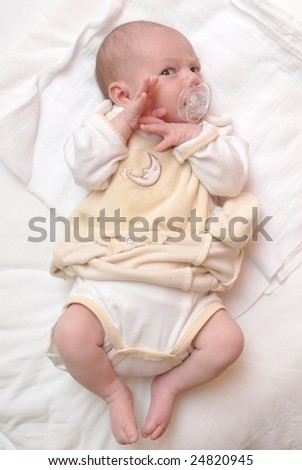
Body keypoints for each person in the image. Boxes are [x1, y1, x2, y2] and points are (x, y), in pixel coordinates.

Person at [49, 20, 258, 445]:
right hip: (111, 280)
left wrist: (193, 138)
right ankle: (112, 392)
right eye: (170, 71)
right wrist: (123, 125)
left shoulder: (211, 134)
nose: (193, 78)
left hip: (183, 290)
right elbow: (84, 171)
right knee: (69, 335)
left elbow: (231, 182)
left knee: (228, 343)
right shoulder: (107, 130)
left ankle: (172, 384)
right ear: (123, 94)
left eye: (195, 67)